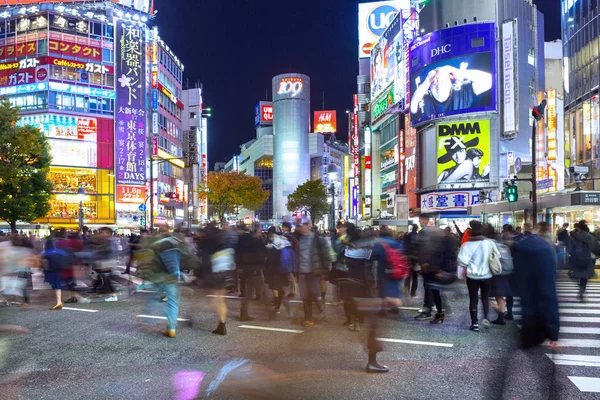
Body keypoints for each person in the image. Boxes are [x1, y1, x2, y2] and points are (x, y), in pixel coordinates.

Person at [364, 226, 404, 373]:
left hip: (374, 290)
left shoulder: (376, 246)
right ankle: (372, 361)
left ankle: (372, 361)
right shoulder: (397, 244)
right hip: (387, 289)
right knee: (374, 328)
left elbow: (370, 267)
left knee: (373, 327)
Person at [513, 225, 560, 348]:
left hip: (526, 305)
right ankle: (547, 334)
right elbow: (549, 297)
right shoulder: (546, 249)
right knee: (547, 300)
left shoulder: (520, 246)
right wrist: (553, 332)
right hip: (541, 305)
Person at [410, 62, 493, 121]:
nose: (438, 86)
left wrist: (458, 72)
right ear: (429, 86)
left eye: (442, 82)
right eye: (434, 83)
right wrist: (426, 82)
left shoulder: (460, 91)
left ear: (450, 82)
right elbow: (413, 107)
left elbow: (490, 80)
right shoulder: (424, 97)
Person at [458, 221, 500, 331]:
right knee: (485, 298)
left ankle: (475, 323)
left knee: (473, 299)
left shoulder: (466, 245)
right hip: (487, 276)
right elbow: (497, 255)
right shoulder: (489, 243)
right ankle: (486, 318)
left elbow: (461, 261)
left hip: (472, 276)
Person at [338, 223, 373, 330]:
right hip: (362, 276)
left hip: (348, 275)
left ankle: (349, 320)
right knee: (360, 299)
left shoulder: (345, 248)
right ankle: (359, 319)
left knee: (348, 299)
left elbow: (339, 259)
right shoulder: (366, 248)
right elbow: (370, 261)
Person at [296, 221, 331, 327]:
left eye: (301, 226)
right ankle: (308, 318)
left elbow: (326, 254)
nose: (300, 228)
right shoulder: (298, 239)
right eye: (299, 226)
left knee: (315, 294)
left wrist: (325, 270)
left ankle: (321, 310)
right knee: (304, 296)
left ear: (308, 226)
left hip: (314, 271)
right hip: (302, 271)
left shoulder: (318, 239)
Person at [414, 214, 445, 322]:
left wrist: (424, 262)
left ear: (425, 220)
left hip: (428, 266)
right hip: (435, 266)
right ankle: (438, 311)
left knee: (429, 288)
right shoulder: (437, 233)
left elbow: (422, 249)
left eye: (420, 220)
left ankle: (428, 311)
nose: (419, 221)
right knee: (433, 289)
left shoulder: (424, 232)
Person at [208, 225, 238, 335]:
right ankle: (222, 324)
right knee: (222, 300)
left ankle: (221, 325)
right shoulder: (230, 248)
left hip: (217, 272)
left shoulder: (214, 248)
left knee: (218, 299)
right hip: (227, 273)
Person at [483, 225, 513, 325]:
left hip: (496, 273)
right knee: (499, 295)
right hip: (505, 272)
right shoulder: (501, 245)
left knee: (491, 295)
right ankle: (502, 316)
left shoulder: (489, 245)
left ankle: (495, 316)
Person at [237, 225, 268, 322]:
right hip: (254, 270)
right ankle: (271, 310)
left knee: (248, 293)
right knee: (263, 290)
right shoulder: (256, 243)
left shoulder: (243, 241)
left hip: (246, 270)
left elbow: (239, 255)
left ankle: (243, 314)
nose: (260, 234)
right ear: (255, 233)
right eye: (259, 232)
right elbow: (260, 256)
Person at [264, 227, 294, 320]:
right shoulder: (284, 241)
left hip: (274, 269)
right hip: (284, 268)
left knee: (275, 288)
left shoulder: (272, 241)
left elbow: (269, 256)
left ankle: (277, 307)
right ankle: (284, 309)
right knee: (281, 289)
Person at [567, 220, 600, 302]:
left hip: (575, 258)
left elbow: (570, 250)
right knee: (584, 277)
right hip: (586, 258)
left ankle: (580, 288)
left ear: (579, 228)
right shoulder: (589, 237)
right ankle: (582, 290)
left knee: (576, 274)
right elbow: (595, 248)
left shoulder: (573, 236)